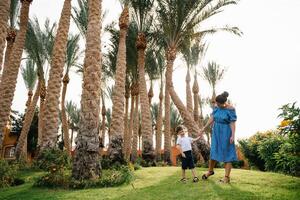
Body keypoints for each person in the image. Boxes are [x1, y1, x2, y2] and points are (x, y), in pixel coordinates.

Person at [201, 91, 237, 183]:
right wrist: (204, 128)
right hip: (216, 132)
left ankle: (226, 177)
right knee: (213, 151)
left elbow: (232, 123)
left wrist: (232, 135)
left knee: (227, 153)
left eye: (218, 103)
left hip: (226, 132)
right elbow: (212, 118)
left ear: (223, 103)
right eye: (216, 103)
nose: (216, 104)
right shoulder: (216, 107)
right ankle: (210, 171)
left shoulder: (231, 109)